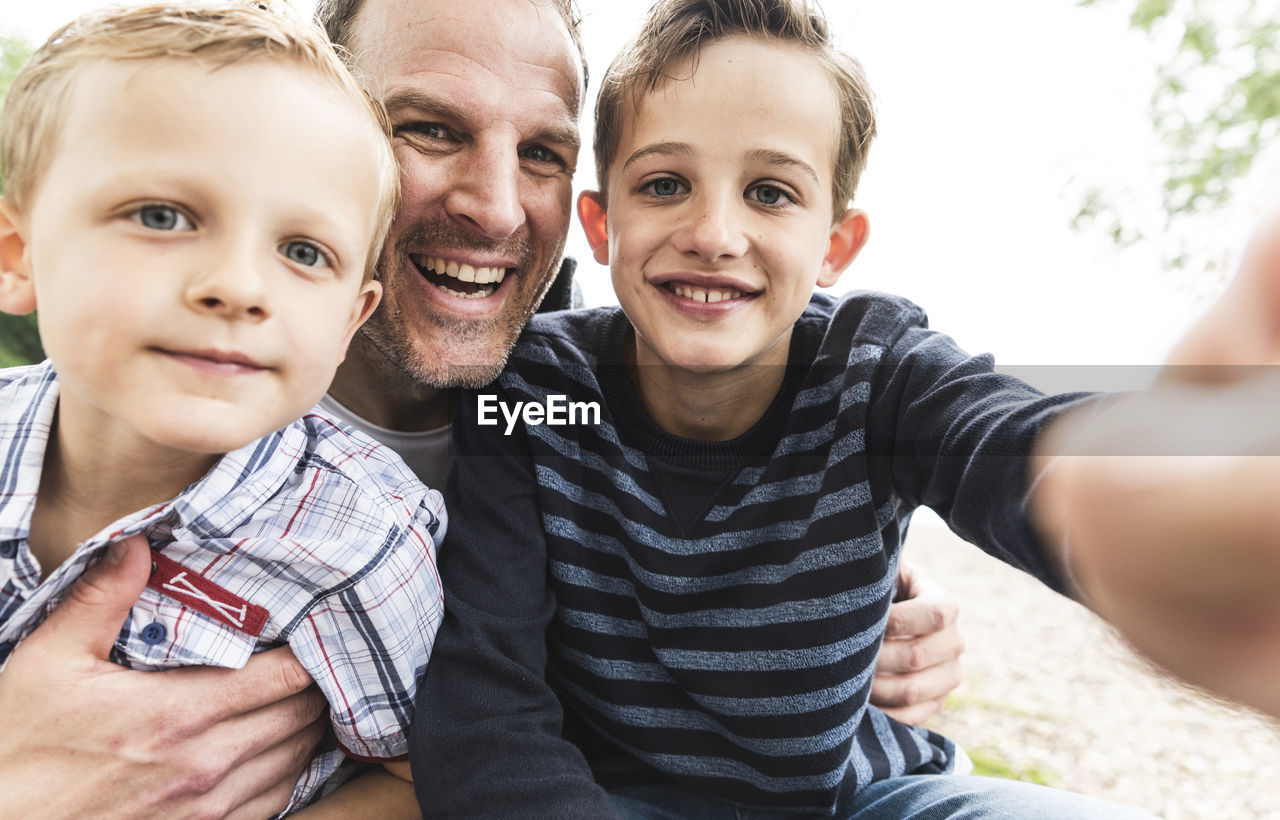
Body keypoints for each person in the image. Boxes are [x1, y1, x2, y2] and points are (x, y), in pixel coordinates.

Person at [0, 0, 961, 814]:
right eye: (429, 128)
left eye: (544, 152)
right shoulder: (147, 403)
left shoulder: (555, 404)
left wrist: (855, 581)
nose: (498, 209)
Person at [409, 0, 1280, 816]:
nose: (714, 232)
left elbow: (1002, 439)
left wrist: (1160, 482)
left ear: (835, 244)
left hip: (862, 801)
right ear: (602, 226)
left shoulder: (874, 377)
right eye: (666, 184)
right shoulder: (541, 400)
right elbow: (491, 713)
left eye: (771, 192)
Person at [0, 3, 445, 816]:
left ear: (351, 320)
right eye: (162, 216)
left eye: (304, 252)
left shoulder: (360, 540)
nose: (238, 286)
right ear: (18, 254)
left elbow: (426, 777)